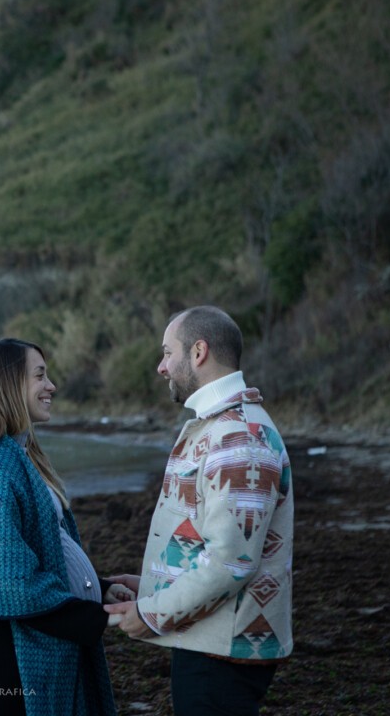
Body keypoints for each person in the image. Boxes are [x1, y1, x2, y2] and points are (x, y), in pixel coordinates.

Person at [103, 306, 293, 716]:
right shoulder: (221, 426)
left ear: (199, 352)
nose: (161, 366)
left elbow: (231, 561)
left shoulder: (237, 436)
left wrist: (152, 614)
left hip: (223, 650)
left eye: (168, 352)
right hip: (212, 640)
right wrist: (153, 584)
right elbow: (213, 542)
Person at [0, 338, 126, 716]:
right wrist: (98, 617)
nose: (51, 386)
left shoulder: (19, 456)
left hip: (24, 654)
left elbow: (46, 549)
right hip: (7, 672)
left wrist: (101, 589)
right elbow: (10, 581)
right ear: (8, 385)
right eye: (40, 376)